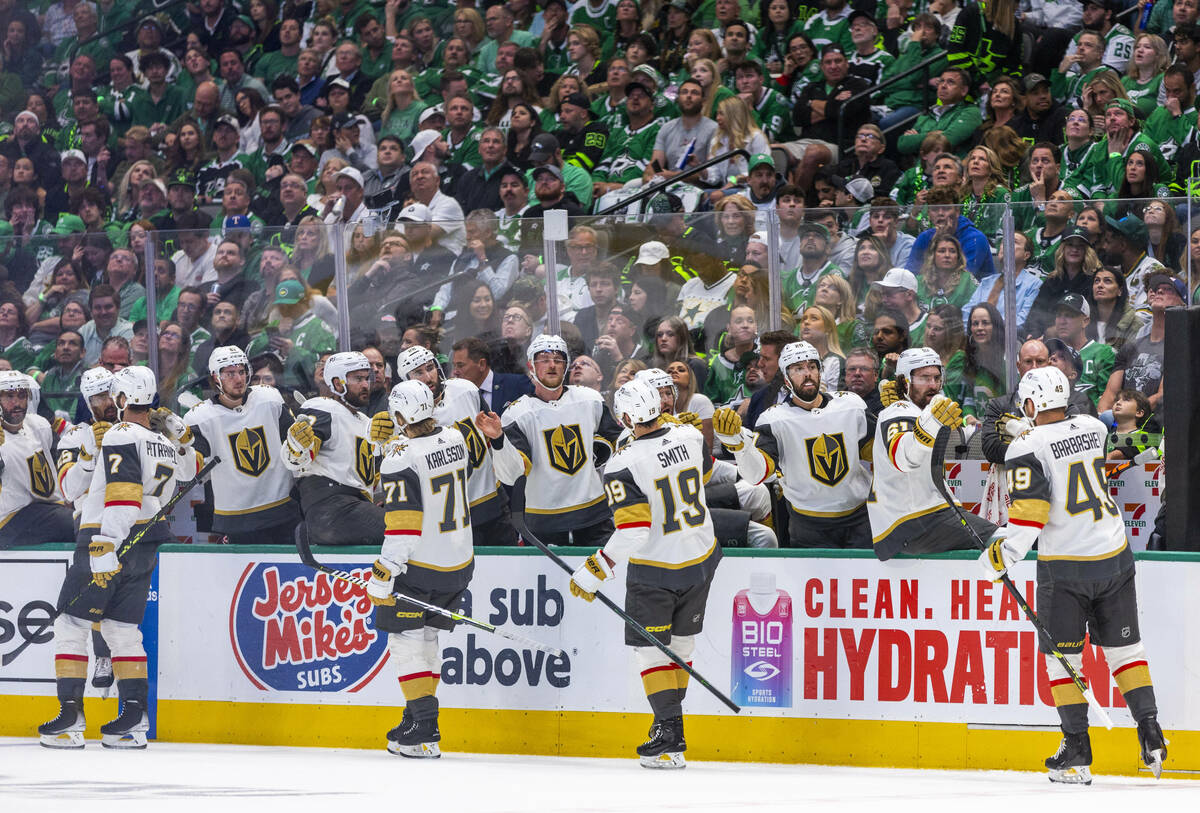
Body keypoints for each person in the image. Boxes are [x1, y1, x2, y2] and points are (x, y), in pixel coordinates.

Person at [979, 366, 1167, 784]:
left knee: (1063, 659)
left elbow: (1029, 517)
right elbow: (1066, 440)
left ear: (1030, 404)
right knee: (1126, 651)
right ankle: (1150, 729)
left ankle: (1077, 750)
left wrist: (1002, 555)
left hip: (1066, 568)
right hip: (1114, 554)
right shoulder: (1090, 426)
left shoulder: (1023, 447)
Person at [565, 378, 719, 770]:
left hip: (656, 568)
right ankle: (669, 731)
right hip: (701, 556)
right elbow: (700, 473)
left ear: (627, 416)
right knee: (681, 648)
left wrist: (595, 569)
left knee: (651, 651)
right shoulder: (688, 434)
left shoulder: (621, 463)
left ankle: (670, 731)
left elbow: (634, 530)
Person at [40, 366, 196, 749]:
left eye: (112, 395)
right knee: (122, 629)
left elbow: (122, 493)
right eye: (98, 398)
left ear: (123, 398)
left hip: (107, 533)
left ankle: (70, 717)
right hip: (148, 534)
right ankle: (133, 719)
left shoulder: (121, 432)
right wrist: (181, 438)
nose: (108, 403)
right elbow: (187, 472)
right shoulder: (151, 439)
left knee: (70, 623)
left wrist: (105, 542)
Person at [366, 379, 476, 759]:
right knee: (427, 639)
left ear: (399, 416)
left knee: (406, 643)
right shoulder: (456, 439)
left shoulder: (400, 457)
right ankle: (414, 718)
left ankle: (426, 728)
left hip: (421, 565)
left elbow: (405, 523)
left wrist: (384, 571)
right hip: (459, 562)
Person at [716, 341, 874, 549]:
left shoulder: (851, 405)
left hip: (859, 520)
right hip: (808, 526)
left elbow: (879, 452)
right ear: (786, 379)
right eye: (798, 368)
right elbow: (758, 474)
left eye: (812, 367)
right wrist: (738, 445)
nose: (807, 373)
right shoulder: (773, 419)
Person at [479, 334, 622, 546]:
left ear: (566, 366)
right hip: (543, 522)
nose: (552, 365)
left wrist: (600, 450)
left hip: (594, 514)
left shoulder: (589, 400)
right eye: (544, 360)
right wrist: (499, 439)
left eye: (558, 359)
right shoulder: (517, 413)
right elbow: (512, 475)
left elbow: (616, 439)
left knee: (607, 576)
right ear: (531, 366)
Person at [869, 347, 997, 559]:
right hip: (910, 522)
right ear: (904, 382)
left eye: (937, 378)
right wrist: (930, 423)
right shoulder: (897, 412)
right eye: (924, 378)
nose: (933, 385)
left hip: (928, 516)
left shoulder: (917, 411)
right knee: (1005, 539)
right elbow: (903, 458)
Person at [394, 345, 514, 547]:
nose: (428, 377)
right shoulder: (404, 415)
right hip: (450, 518)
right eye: (418, 373)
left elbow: (491, 434)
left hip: (492, 502)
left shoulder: (465, 390)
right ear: (406, 380)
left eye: (430, 368)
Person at [184, 347, 300, 545]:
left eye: (241, 371)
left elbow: (294, 446)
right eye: (230, 373)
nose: (238, 379)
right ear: (215, 377)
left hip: (283, 511)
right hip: (236, 519)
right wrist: (180, 446)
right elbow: (190, 471)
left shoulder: (269, 398)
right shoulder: (199, 418)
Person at [283, 351, 384, 546]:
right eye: (357, 379)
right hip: (331, 511)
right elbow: (296, 460)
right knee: (404, 528)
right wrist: (297, 447)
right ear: (338, 384)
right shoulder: (323, 407)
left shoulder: (365, 422)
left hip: (357, 509)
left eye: (366, 378)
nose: (365, 385)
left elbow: (374, 481)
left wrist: (391, 444)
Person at [0, 370, 73, 549]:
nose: (16, 403)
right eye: (9, 396)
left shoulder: (38, 424)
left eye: (22, 396)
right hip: (11, 518)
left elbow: (67, 443)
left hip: (46, 509)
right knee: (81, 524)